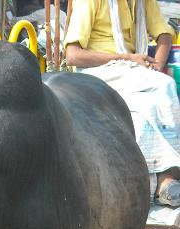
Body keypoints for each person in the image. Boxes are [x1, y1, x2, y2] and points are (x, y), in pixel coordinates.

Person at [64, 0, 180, 206]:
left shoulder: (143, 2)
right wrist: (126, 58)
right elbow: (73, 56)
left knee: (146, 109)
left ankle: (160, 180)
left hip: (132, 71)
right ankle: (167, 177)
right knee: (165, 86)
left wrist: (155, 67)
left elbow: (164, 34)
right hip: (98, 71)